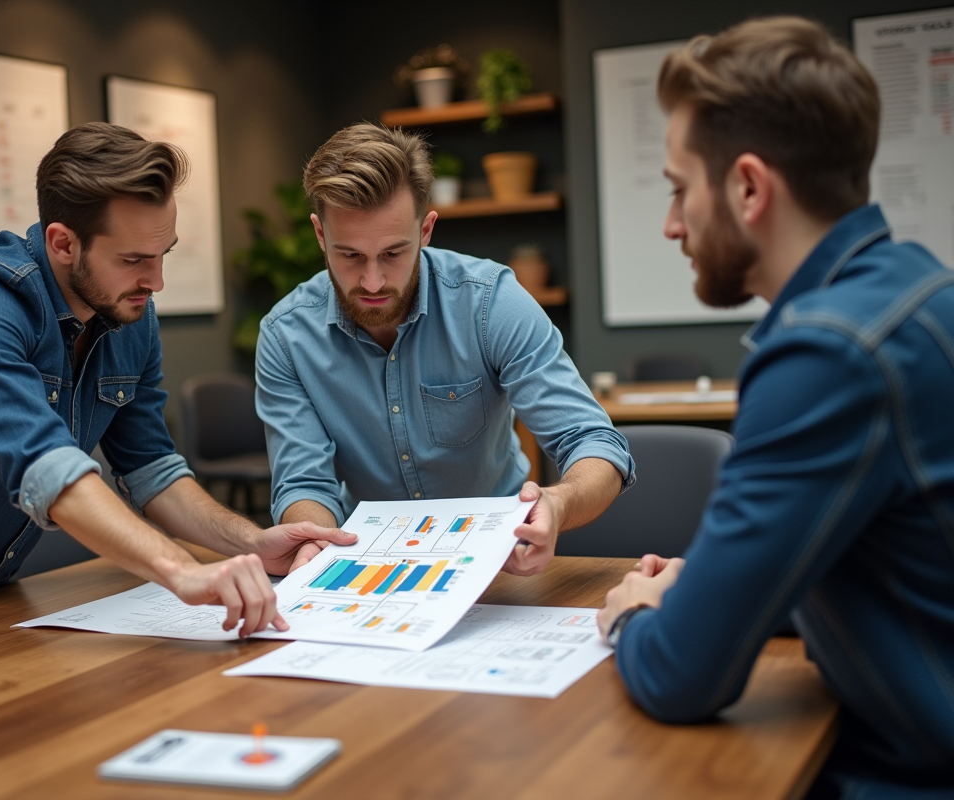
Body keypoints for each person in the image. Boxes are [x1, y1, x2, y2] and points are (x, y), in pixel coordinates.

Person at [0, 123, 353, 636]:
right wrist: (180, 570)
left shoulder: (129, 313)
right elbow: (44, 466)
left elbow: (152, 470)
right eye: (135, 259)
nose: (156, 281)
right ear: (64, 243)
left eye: (165, 255)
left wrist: (252, 542)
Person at [595, 17, 954, 798]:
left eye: (679, 189)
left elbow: (683, 677)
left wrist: (632, 616)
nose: (671, 224)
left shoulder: (825, 354)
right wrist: (716, 584)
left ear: (750, 187)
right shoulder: (919, 288)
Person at [255, 123, 633, 576]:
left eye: (394, 253)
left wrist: (558, 501)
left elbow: (594, 441)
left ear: (426, 229)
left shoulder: (491, 303)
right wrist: (315, 539)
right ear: (320, 235)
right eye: (350, 255)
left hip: (498, 559)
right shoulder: (286, 335)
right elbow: (304, 483)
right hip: (369, 562)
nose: (372, 282)